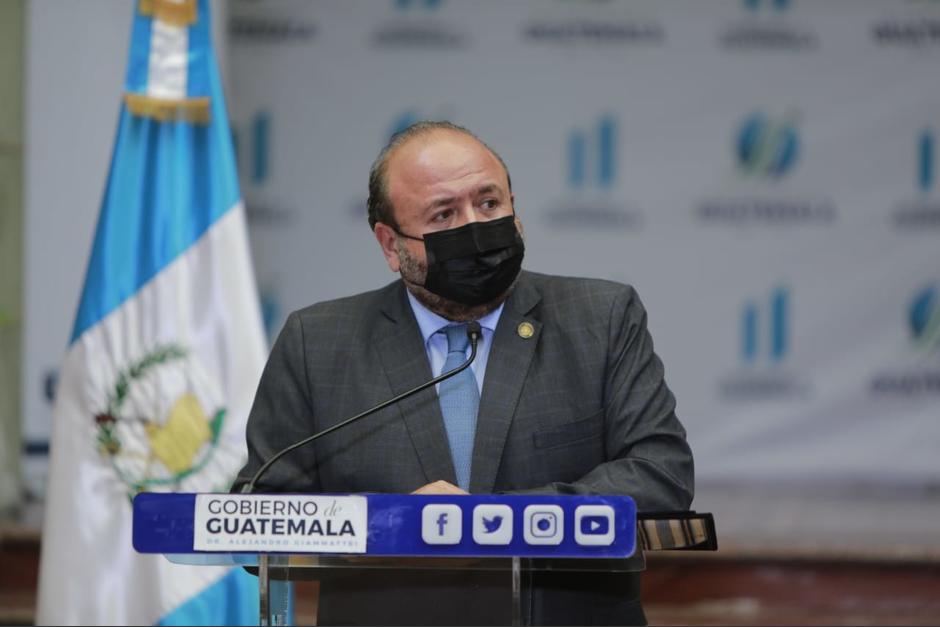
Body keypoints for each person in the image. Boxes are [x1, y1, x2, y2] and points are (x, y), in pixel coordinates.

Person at [233, 121, 694, 625]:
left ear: (516, 211)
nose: (475, 228)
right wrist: (394, 528)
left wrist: (484, 523)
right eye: (444, 214)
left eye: (490, 203)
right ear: (391, 246)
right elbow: (261, 510)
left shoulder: (600, 317)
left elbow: (659, 471)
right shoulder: (317, 342)